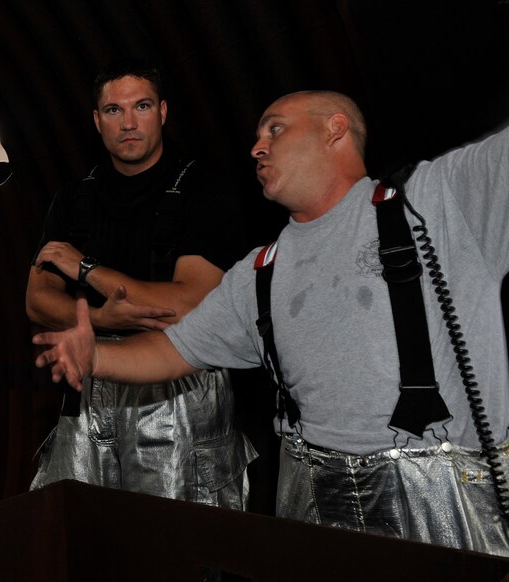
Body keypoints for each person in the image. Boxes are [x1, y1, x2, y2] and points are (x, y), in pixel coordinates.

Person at [33, 90, 509, 556]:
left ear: (335, 129)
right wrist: (95, 355)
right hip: (314, 511)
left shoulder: (440, 199)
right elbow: (173, 350)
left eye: (276, 129)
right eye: (258, 136)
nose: (257, 147)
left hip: (444, 511)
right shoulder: (260, 272)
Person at [27, 60, 257, 507]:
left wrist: (87, 269)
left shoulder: (204, 192)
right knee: (83, 534)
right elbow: (37, 299)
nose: (128, 123)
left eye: (142, 106)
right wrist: (97, 317)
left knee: (176, 545)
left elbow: (187, 305)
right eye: (113, 110)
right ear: (97, 121)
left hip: (180, 387)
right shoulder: (74, 198)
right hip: (89, 387)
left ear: (164, 112)